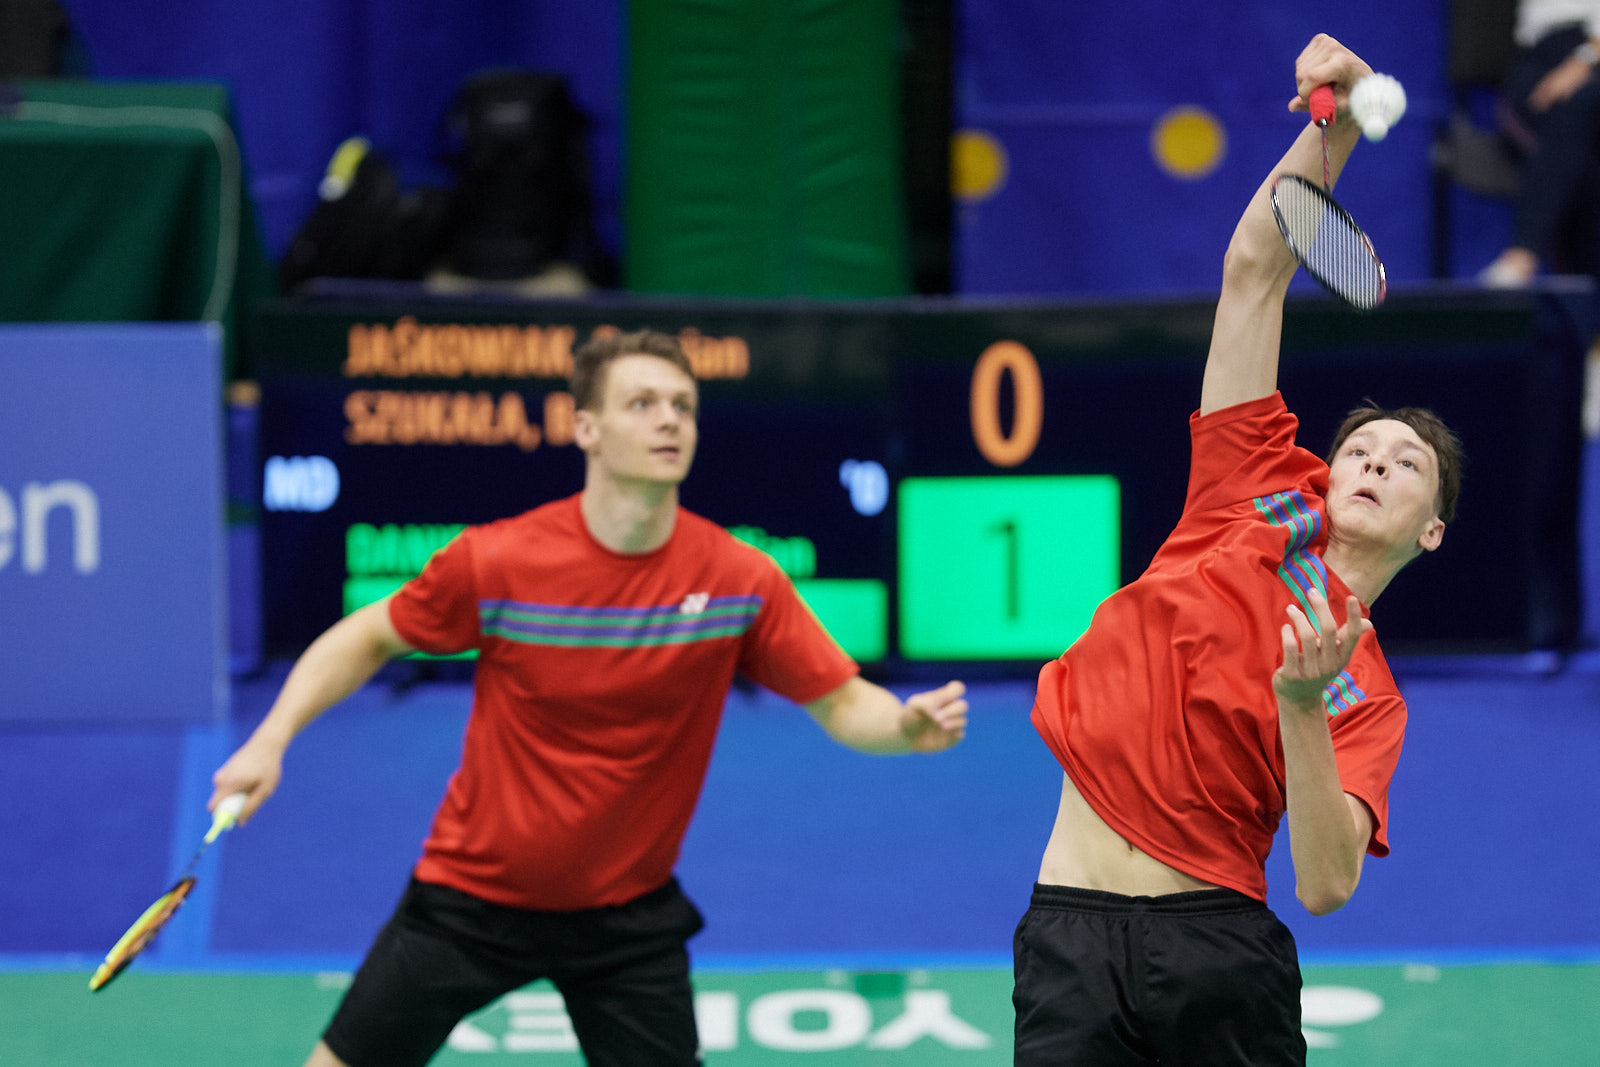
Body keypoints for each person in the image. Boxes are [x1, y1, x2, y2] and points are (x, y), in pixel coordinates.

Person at [211, 328, 969, 1067]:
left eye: (682, 405)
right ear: (587, 428)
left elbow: (842, 702)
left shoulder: (738, 579)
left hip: (625, 917)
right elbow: (368, 636)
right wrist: (269, 740)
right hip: (472, 900)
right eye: (642, 403)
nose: (670, 420)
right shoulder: (500, 561)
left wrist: (905, 726)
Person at [1011, 35, 1464, 1066]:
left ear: (1430, 529)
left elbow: (1326, 882)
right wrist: (1334, 123)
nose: (1376, 460)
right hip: (1070, 932)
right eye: (1361, 447)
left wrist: (1302, 704)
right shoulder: (1247, 492)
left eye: (1408, 464)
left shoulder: (1364, 693)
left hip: (1217, 952)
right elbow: (1256, 269)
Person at [1477, 0, 1600, 286]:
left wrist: (1586, 57)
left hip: (1588, 61)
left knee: (1581, 117)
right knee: (1575, 113)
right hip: (1543, 60)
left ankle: (1523, 255)